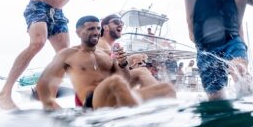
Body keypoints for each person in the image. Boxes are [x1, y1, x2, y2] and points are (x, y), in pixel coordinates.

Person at [0, 0, 105, 110]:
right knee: (37, 43)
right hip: (39, 4)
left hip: (58, 12)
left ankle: (47, 98)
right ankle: (4, 94)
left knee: (65, 55)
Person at [36, 16, 175, 110]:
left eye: (97, 28)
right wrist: (51, 105)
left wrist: (122, 64)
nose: (96, 32)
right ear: (78, 32)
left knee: (167, 89)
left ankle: (162, 121)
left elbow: (124, 79)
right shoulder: (68, 54)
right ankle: (133, 124)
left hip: (116, 97)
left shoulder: (105, 55)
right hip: (92, 102)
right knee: (114, 81)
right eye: (91, 29)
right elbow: (44, 82)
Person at [97, 13, 160, 90]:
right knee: (142, 71)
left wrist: (130, 61)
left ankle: (147, 96)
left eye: (122, 23)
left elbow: (117, 69)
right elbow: (108, 72)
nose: (120, 24)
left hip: (112, 83)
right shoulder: (101, 44)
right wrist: (128, 61)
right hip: (106, 89)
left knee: (139, 68)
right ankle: (158, 96)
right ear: (105, 27)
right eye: (116, 22)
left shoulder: (110, 45)